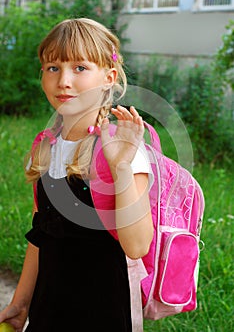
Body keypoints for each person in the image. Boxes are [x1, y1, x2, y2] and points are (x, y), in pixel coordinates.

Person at [0, 18, 154, 332]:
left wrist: (121, 168)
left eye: (80, 68)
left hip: (102, 312)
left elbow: (137, 246)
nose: (64, 81)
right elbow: (41, 233)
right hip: (48, 308)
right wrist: (21, 303)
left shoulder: (123, 151)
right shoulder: (46, 146)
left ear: (108, 77)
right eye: (53, 67)